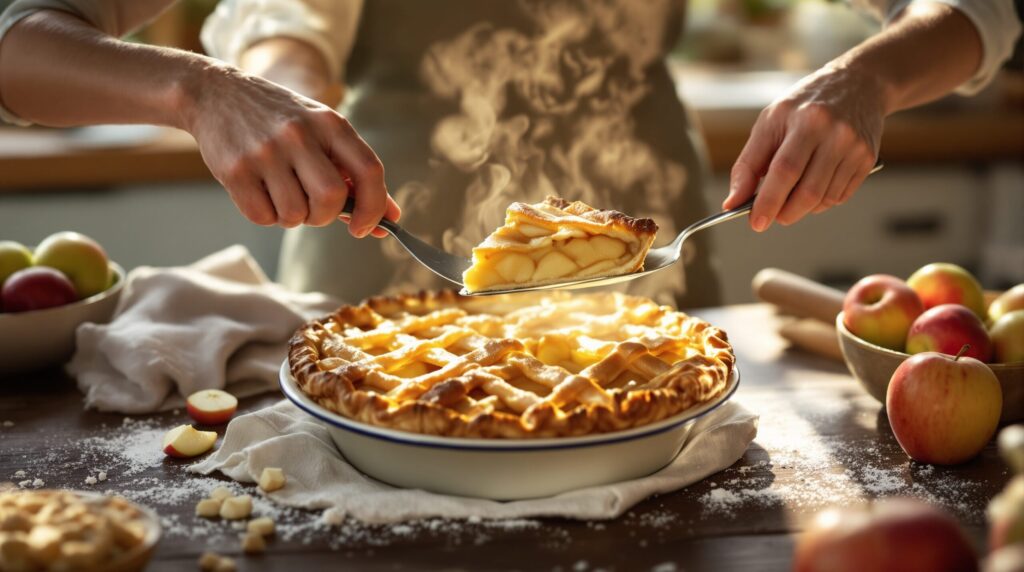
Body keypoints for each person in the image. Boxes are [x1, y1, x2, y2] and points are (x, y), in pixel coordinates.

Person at [0, 0, 1019, 307]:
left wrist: (869, 77)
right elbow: (22, 37)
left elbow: (980, 10)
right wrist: (225, 86)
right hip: (378, 267)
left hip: (654, 290)